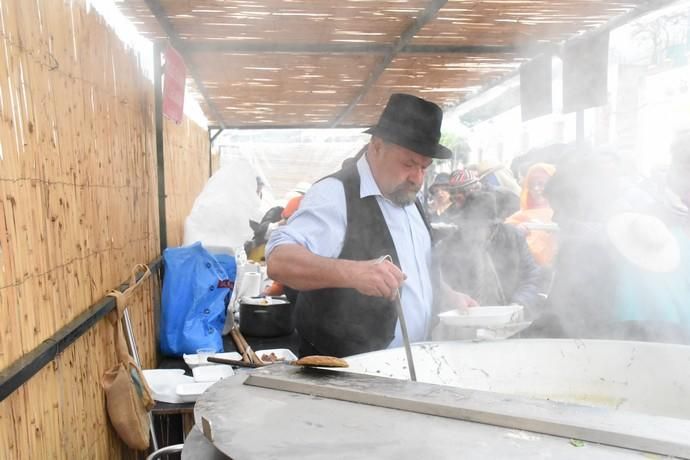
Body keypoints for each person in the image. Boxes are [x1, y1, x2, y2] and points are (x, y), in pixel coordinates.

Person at [266, 93, 470, 357]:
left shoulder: (410, 196)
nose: (417, 178)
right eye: (408, 163)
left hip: (415, 362)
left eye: (424, 167)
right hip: (347, 374)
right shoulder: (335, 194)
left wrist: (448, 295)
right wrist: (353, 273)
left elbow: (418, 265)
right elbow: (279, 261)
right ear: (377, 146)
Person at [437, 192, 543, 310]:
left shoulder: (513, 238)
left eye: (477, 227)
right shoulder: (451, 244)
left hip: (509, 314)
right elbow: (440, 281)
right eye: (467, 225)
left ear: (493, 226)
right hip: (467, 315)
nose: (470, 232)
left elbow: (532, 276)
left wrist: (518, 304)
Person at [505, 163, 557, 266]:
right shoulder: (518, 217)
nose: (537, 189)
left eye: (542, 184)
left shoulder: (562, 217)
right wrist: (516, 233)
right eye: (532, 185)